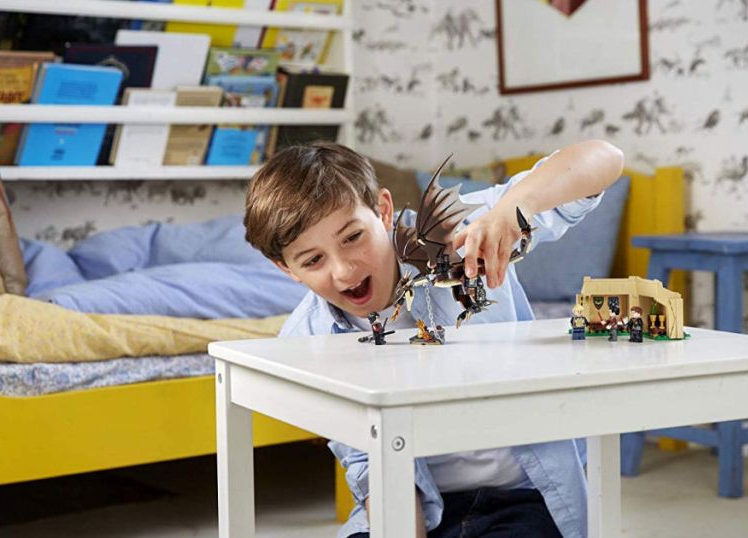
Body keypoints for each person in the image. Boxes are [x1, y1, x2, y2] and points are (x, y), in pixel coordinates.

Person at [244, 140, 624, 538]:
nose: (343, 270)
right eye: (313, 260)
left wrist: (513, 210)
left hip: (524, 496)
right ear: (287, 269)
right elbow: (373, 465)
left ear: (383, 211)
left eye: (353, 237)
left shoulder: (457, 231)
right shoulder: (305, 340)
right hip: (419, 508)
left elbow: (605, 159)